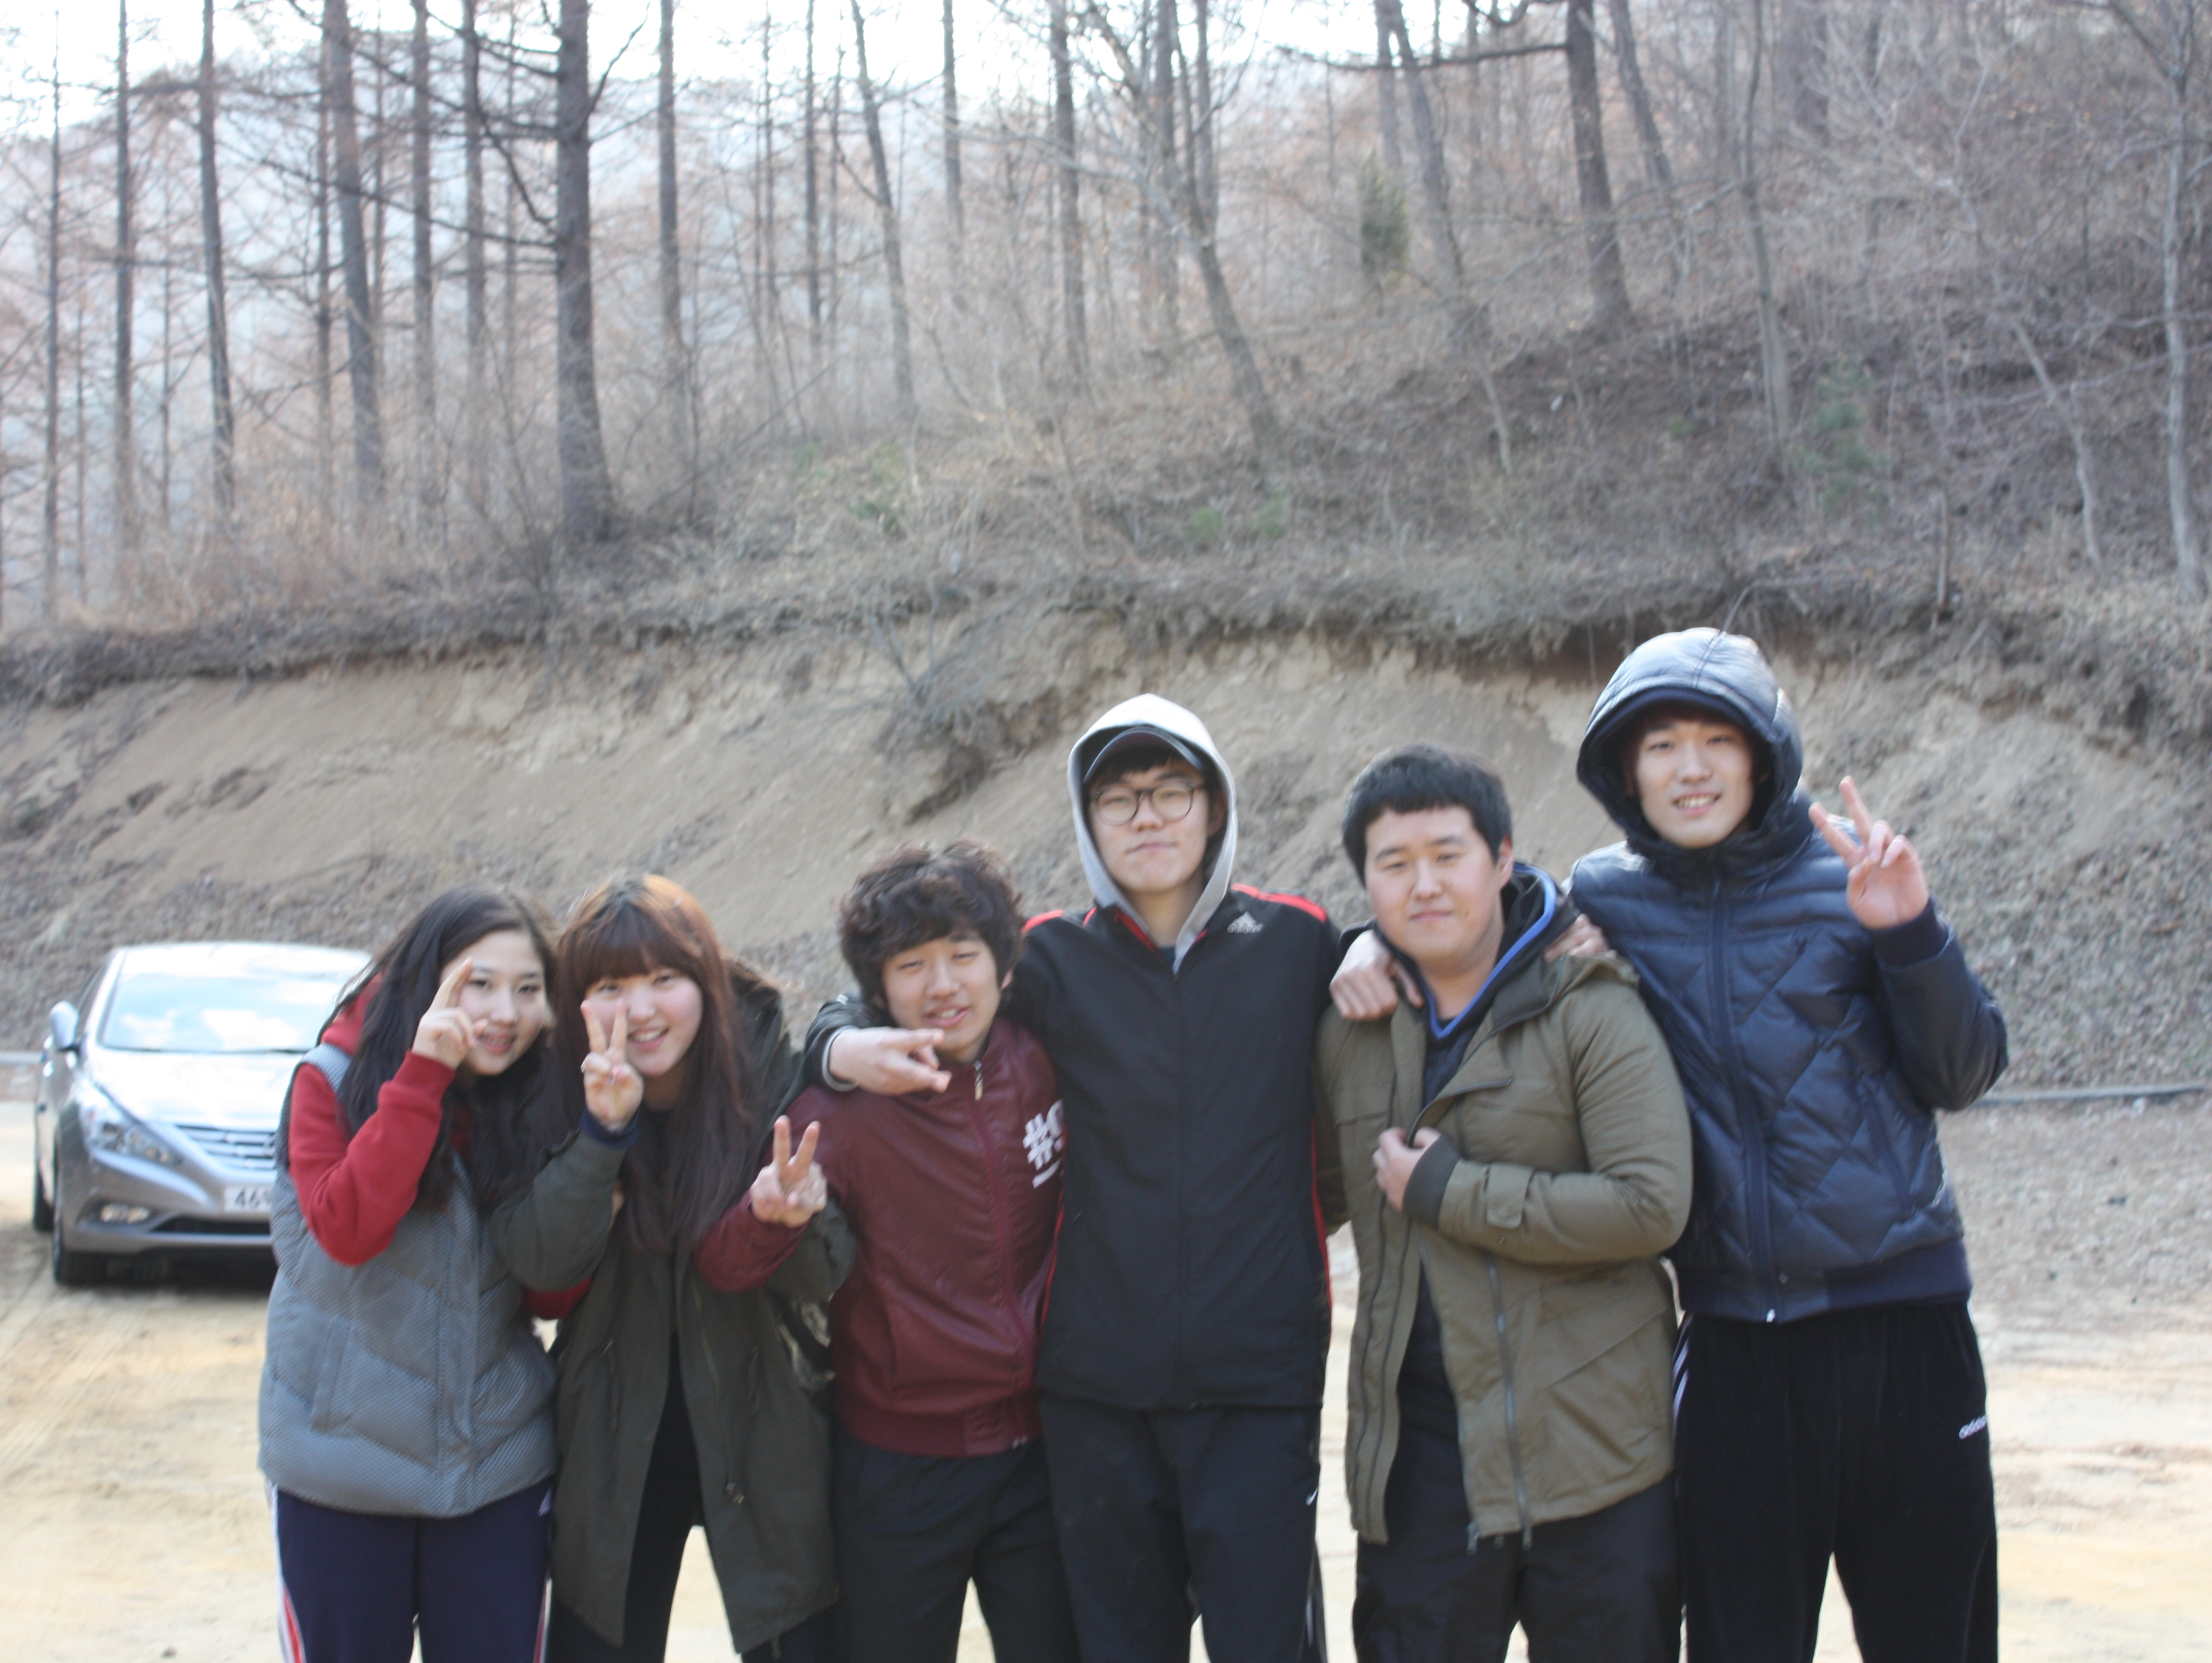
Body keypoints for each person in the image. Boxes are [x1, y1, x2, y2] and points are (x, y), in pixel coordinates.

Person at [1334, 629, 2010, 1663]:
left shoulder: (1850, 877)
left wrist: (1910, 930)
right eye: (1661, 747)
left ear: (1763, 756)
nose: (1691, 769)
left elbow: (1962, 1074)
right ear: (1626, 771)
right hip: (1737, 1340)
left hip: (1905, 1325)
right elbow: (1476, 909)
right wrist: (1370, 942)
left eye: (1716, 741)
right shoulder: (1606, 895)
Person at [815, 695, 1345, 1663]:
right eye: (1118, 798)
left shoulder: (1300, 942)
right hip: (1098, 1391)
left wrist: (1410, 941)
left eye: (1171, 791)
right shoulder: (1051, 958)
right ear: (1087, 819)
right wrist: (836, 1044)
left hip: (1259, 1382)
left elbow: (1432, 946)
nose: (1147, 817)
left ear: (1215, 806)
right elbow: (912, 986)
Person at [1320, 744, 1691, 1663]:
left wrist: (1454, 1192)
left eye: (1448, 855)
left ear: (1503, 859)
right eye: (1395, 864)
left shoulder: (1589, 1004)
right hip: (1420, 1467)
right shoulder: (1345, 1027)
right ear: (1366, 883)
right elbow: (1301, 1196)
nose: (1425, 885)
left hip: (1596, 1458)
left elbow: (1653, 1206)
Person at [698, 841, 1081, 1663]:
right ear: (878, 988)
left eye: (963, 955)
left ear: (1003, 965)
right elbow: (724, 1264)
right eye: (911, 965)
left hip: (1043, 1450)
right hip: (902, 1464)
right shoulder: (839, 1112)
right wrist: (771, 1215)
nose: (943, 984)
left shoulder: (1046, 1060)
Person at [491, 874, 847, 1663]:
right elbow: (538, 1263)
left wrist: (786, 1221)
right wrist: (600, 1135)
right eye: (611, 987)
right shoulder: (554, 1091)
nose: (641, 1009)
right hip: (613, 1434)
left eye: (664, 979)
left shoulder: (775, 1077)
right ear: (578, 1002)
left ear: (706, 981)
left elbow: (832, 1273)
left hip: (768, 1428)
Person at [259, 885, 564, 1663]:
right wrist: (423, 1075)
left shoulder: (535, 1096)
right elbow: (348, 1230)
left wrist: (593, 1161)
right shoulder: (330, 1079)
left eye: (528, 990)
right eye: (479, 984)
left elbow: (554, 1290)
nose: (504, 1013)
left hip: (495, 1471)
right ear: (426, 980)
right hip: (339, 1474)